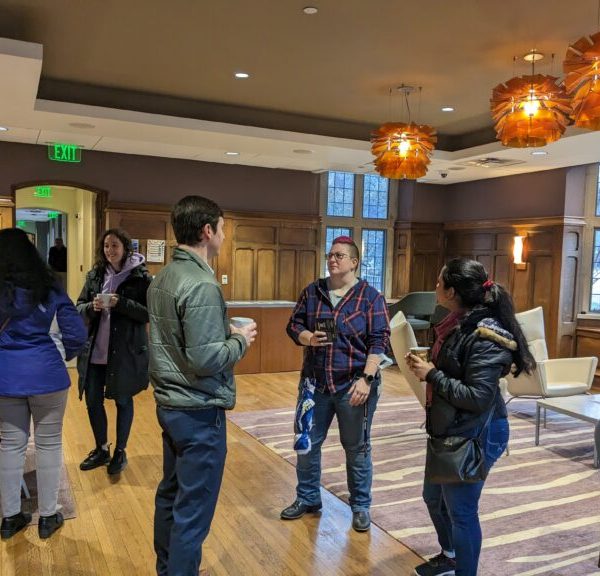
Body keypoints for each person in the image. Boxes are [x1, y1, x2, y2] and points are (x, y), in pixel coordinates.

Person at [148, 195, 256, 576]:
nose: (225, 236)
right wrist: (241, 340)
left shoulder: (163, 277)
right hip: (198, 410)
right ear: (207, 231)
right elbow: (206, 360)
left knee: (171, 494)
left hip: (171, 405)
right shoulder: (201, 284)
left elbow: (183, 343)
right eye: (223, 228)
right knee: (193, 510)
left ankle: (169, 569)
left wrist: (222, 334)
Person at [406, 258, 535, 576]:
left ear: (452, 291)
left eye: (439, 282)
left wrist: (431, 374)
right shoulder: (456, 321)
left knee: (462, 512)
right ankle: (451, 556)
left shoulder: (487, 335)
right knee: (433, 497)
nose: (435, 287)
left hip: (477, 432)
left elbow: (477, 398)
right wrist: (429, 368)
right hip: (449, 427)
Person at [280, 236, 390, 532]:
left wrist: (367, 379)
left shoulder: (370, 297)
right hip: (314, 384)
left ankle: (360, 506)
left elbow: (379, 341)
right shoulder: (313, 291)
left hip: (354, 385)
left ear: (354, 262)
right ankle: (308, 498)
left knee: (356, 448)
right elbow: (294, 324)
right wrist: (307, 337)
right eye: (330, 255)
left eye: (339, 255)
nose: (332, 259)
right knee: (306, 443)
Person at [0, 228, 86, 540]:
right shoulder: (49, 288)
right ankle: (48, 516)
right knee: (49, 444)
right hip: (48, 376)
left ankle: (10, 517)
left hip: (6, 377)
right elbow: (76, 333)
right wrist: (63, 355)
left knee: (10, 445)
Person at [76, 228, 152, 475]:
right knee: (92, 401)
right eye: (106, 246)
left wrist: (122, 303)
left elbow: (148, 314)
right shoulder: (95, 274)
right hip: (95, 351)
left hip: (125, 352)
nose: (110, 250)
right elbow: (79, 307)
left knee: (123, 400)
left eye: (115, 245)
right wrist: (91, 307)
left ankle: (120, 451)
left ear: (125, 247)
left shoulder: (141, 277)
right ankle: (101, 449)